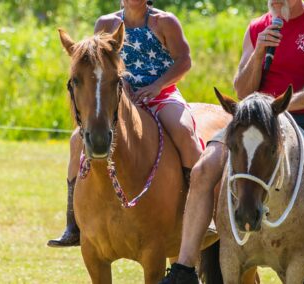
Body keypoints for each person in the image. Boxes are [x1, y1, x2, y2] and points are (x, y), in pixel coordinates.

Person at [160, 0, 304, 283]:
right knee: (202, 170)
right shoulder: (258, 28)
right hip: (256, 123)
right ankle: (183, 269)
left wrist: (281, 109)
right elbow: (243, 89)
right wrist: (259, 51)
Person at [47, 0, 203, 247]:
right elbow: (97, 66)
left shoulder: (165, 22)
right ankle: (72, 223)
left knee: (184, 131)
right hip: (120, 98)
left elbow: (184, 61)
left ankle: (200, 211)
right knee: (77, 139)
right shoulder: (106, 23)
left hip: (162, 96)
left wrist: (157, 86)